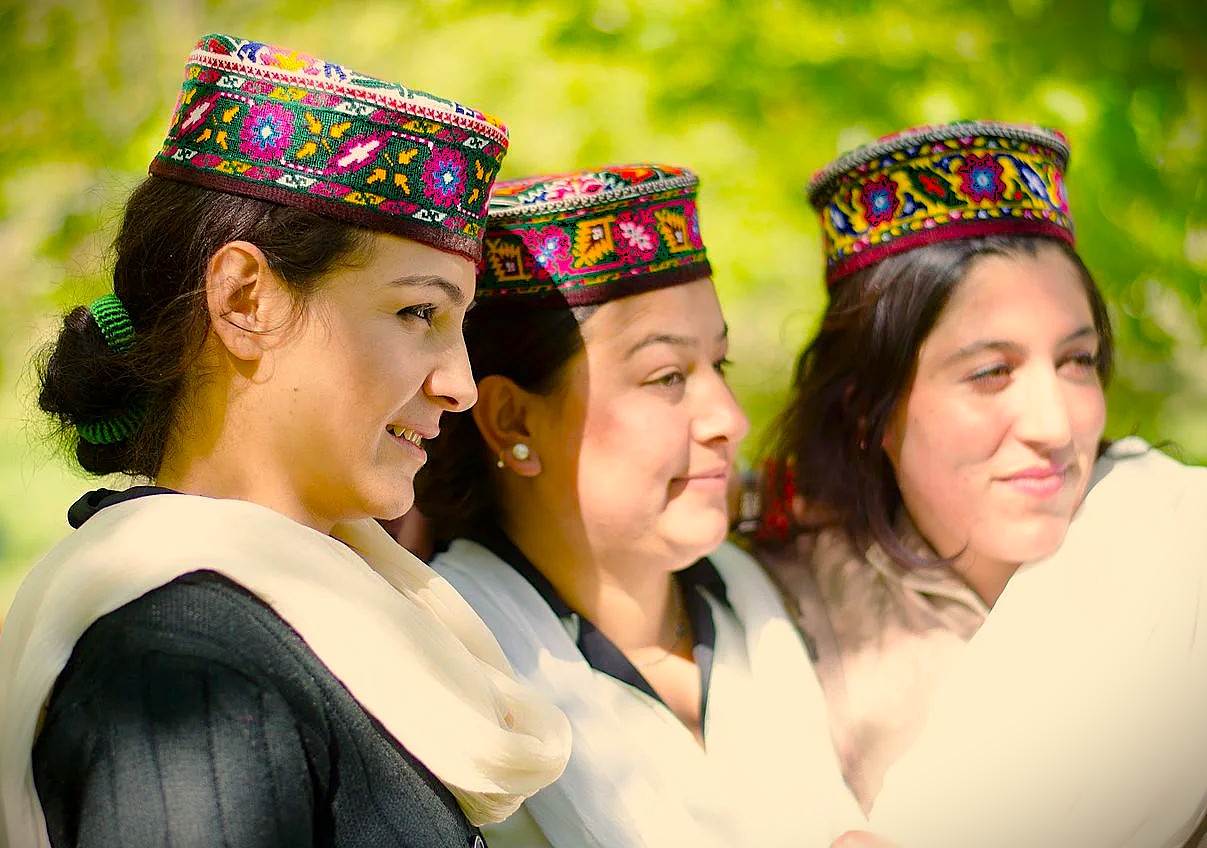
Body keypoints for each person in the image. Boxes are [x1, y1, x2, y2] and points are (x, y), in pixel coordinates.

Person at [0, 32, 569, 848]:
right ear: (245, 300)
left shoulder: (323, 616)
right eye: (419, 313)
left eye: (458, 325)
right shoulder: (186, 665)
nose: (459, 384)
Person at [755, 120, 1207, 847]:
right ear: (869, 411)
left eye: (1077, 361)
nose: (1054, 425)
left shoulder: (1177, 541)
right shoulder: (775, 620)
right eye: (990, 372)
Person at [414, 164, 864, 847]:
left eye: (722, 366)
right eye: (666, 377)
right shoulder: (443, 667)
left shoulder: (754, 598)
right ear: (512, 419)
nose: (728, 419)